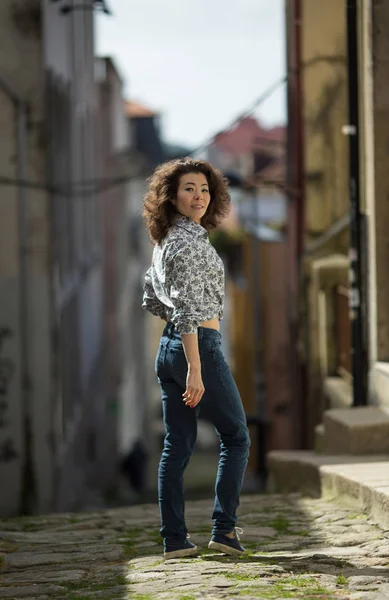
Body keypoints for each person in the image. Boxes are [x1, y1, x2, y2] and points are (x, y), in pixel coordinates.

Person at [142, 157, 251, 560]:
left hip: (169, 348)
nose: (199, 196)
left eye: (204, 189)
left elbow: (152, 298)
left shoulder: (167, 240)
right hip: (196, 348)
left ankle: (174, 540)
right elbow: (187, 309)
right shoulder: (187, 244)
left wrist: (179, 339)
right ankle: (224, 530)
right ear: (171, 196)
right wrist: (195, 367)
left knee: (178, 445)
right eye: (189, 188)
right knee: (237, 438)